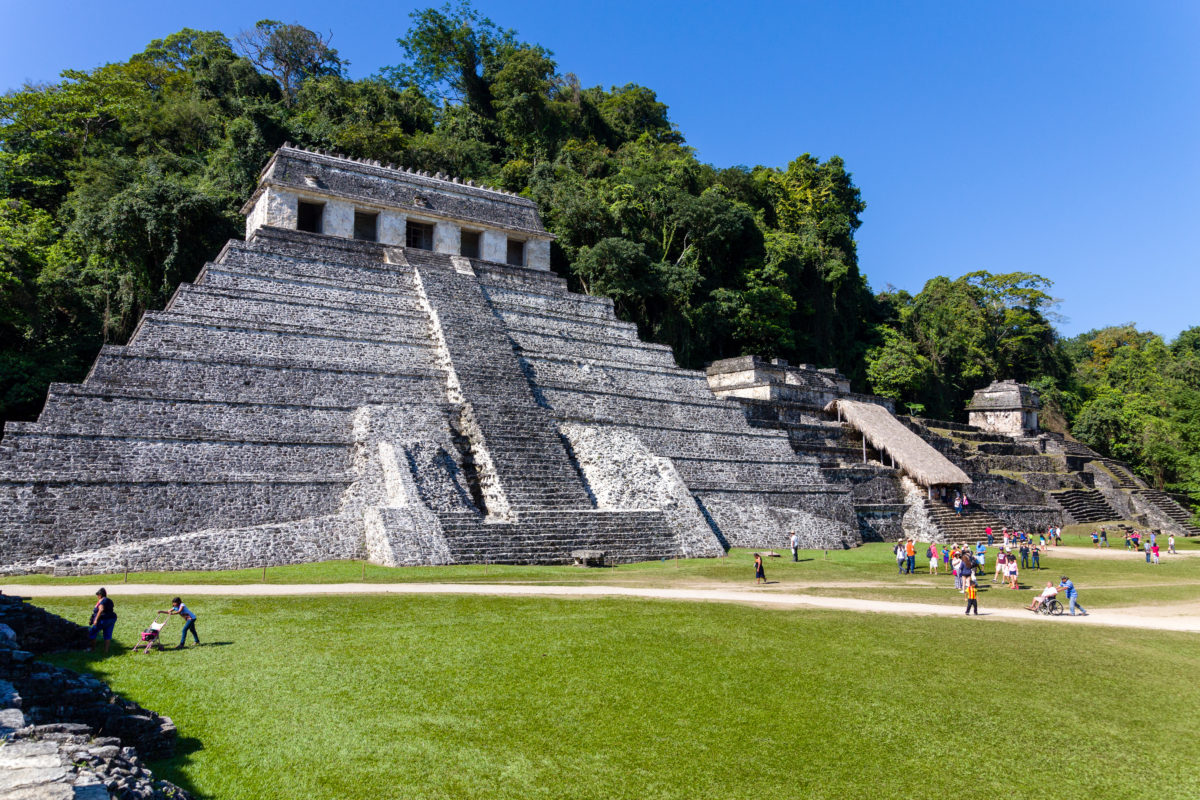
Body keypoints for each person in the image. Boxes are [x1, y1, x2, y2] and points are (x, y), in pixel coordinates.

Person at [87, 588, 117, 655]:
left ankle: (92, 649)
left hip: (103, 620)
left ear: (100, 595)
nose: (97, 597)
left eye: (97, 595)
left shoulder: (102, 601)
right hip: (111, 619)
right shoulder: (109, 600)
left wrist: (95, 620)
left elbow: (101, 610)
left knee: (92, 633)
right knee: (107, 635)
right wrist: (91, 619)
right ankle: (106, 651)